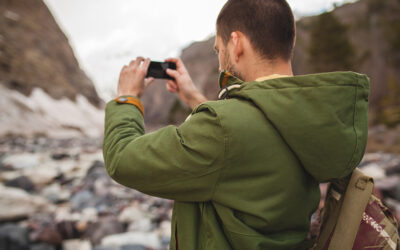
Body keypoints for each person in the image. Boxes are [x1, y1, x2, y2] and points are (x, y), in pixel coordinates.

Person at [102, 0, 370, 249]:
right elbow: (250, 131)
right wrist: (194, 97)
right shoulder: (309, 118)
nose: (220, 62)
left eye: (219, 50)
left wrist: (127, 98)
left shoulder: (223, 130)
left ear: (236, 42)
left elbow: (122, 158)